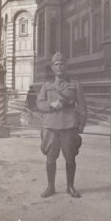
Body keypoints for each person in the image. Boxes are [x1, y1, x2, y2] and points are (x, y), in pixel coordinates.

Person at [37, 52, 87, 198]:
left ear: (66, 67)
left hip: (69, 126)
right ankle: (50, 187)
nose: (59, 67)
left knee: (70, 158)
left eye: (62, 64)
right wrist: (51, 105)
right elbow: (39, 103)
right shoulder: (46, 86)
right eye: (56, 64)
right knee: (50, 158)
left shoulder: (75, 85)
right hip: (51, 127)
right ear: (52, 68)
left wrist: (82, 124)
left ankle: (70, 186)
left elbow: (82, 106)